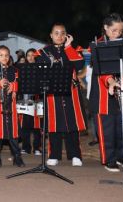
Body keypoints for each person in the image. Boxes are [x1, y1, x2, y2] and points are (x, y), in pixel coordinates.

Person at [35, 23, 86, 167]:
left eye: (63, 33)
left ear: (67, 35)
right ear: (51, 35)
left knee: (72, 123)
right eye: (56, 33)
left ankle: (75, 154)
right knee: (54, 125)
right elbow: (40, 69)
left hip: (71, 92)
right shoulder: (42, 52)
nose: (60, 36)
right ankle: (54, 154)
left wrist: (69, 47)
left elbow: (80, 65)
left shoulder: (74, 49)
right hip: (52, 92)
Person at [89, 13, 123, 172]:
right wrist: (112, 82)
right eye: (114, 30)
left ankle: (122, 157)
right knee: (106, 129)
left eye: (120, 31)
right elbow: (101, 71)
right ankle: (109, 160)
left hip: (120, 94)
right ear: (106, 28)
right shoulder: (97, 45)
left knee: (120, 128)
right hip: (102, 96)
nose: (117, 34)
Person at [0, 45, 25, 168]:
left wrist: (13, 88)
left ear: (9, 57)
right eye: (1, 55)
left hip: (11, 106)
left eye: (6, 55)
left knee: (13, 132)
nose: (4, 57)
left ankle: (17, 156)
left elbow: (18, 84)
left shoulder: (14, 70)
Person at [18, 48, 42, 156]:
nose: (31, 57)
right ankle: (26, 147)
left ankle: (37, 148)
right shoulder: (22, 69)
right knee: (25, 125)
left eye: (33, 55)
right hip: (25, 99)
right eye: (28, 55)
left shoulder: (40, 68)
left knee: (37, 125)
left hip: (37, 99)